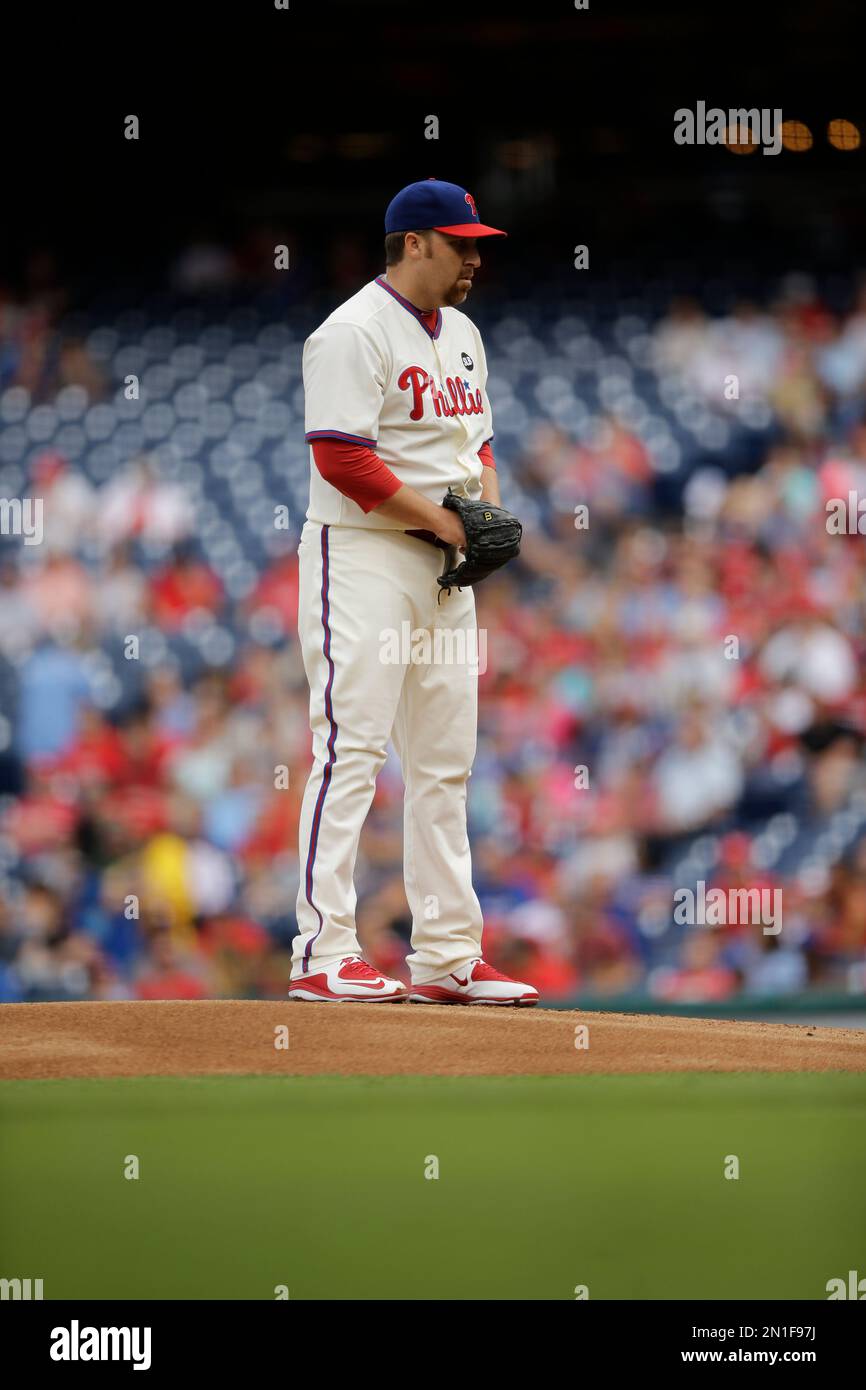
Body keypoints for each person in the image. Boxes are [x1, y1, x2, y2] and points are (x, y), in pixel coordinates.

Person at [290, 179, 537, 1006]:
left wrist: (484, 514)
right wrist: (447, 522)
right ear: (413, 243)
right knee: (350, 747)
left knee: (444, 761)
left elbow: (480, 441)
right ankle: (323, 950)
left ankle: (446, 954)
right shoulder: (351, 332)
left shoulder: (463, 332)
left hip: (443, 561)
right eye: (461, 243)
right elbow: (343, 461)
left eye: (478, 244)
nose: (475, 257)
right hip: (364, 554)